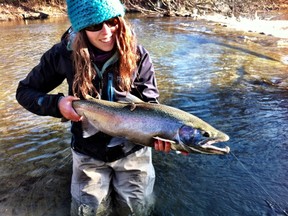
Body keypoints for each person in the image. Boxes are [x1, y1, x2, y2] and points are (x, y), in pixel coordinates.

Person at [16, 0, 173, 215]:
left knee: (137, 210)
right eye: (94, 26)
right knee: (88, 211)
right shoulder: (63, 55)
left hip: (133, 153)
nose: (106, 32)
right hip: (87, 154)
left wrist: (162, 135)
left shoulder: (138, 55)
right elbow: (25, 92)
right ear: (82, 29)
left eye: (111, 21)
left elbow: (151, 104)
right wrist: (57, 104)